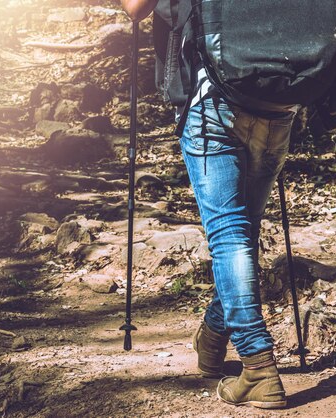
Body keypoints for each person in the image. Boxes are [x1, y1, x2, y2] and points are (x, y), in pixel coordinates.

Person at [120, 0, 297, 409]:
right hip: (279, 102)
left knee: (231, 236)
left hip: (214, 97)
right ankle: (215, 334)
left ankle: (257, 365)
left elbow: (134, 7)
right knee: (242, 235)